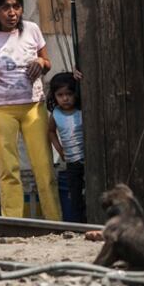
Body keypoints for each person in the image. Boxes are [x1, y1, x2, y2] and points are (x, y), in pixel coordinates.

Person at [0, 0, 61, 220]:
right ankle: (13, 223)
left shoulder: (31, 30)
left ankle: (55, 223)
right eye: (5, 8)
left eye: (17, 6)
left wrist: (41, 64)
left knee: (44, 168)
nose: (12, 13)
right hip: (0, 111)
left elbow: (47, 61)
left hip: (33, 107)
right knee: (8, 170)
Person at [47, 71, 85, 222]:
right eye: (60, 95)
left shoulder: (82, 110)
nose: (65, 98)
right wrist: (60, 150)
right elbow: (50, 132)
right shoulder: (56, 114)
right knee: (75, 195)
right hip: (71, 162)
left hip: (87, 159)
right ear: (54, 97)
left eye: (69, 93)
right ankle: (79, 224)